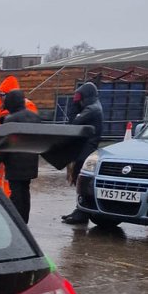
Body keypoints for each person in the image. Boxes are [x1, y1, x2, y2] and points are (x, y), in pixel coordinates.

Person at [0, 88, 41, 222]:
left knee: (17, 193)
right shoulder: (35, 117)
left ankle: (16, 221)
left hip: (15, 163)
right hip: (31, 161)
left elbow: (5, 144)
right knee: (25, 192)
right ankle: (24, 220)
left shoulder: (11, 120)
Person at [62, 81, 104, 225]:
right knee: (81, 181)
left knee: (82, 182)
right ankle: (80, 209)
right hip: (85, 149)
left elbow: (73, 123)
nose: (77, 100)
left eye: (78, 97)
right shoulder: (93, 107)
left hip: (86, 151)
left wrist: (73, 106)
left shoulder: (91, 109)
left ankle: (82, 212)